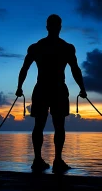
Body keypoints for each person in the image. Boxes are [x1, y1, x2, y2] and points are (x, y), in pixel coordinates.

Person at [15, 14, 87, 173]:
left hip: (46, 89)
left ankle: (42, 160)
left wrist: (19, 87)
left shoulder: (39, 47)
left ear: (49, 26)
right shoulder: (64, 47)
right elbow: (75, 69)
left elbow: (25, 68)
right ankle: (53, 160)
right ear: (57, 27)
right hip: (55, 89)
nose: (55, 28)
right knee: (56, 125)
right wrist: (82, 88)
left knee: (43, 125)